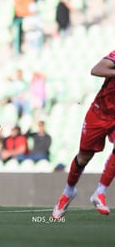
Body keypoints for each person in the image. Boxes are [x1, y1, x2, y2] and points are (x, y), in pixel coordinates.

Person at [52, 50, 115, 219]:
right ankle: (68, 192)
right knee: (83, 158)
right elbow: (96, 70)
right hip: (100, 114)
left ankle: (100, 193)